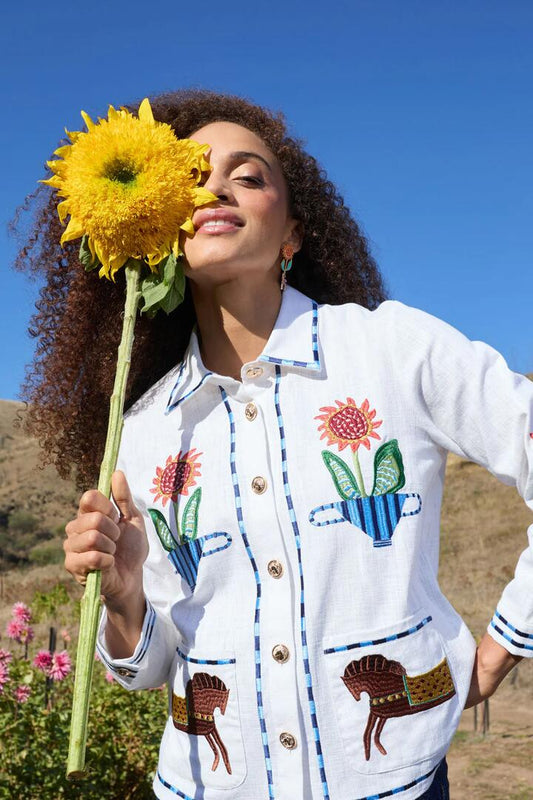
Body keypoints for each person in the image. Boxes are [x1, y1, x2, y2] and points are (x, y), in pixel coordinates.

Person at [17, 90, 532, 800]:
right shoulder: (142, 429)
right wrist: (125, 598)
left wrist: (506, 642)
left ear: (291, 232)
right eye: (192, 175)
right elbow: (152, 668)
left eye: (249, 175)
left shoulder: (391, 350)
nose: (217, 187)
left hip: (395, 783)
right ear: (162, 230)